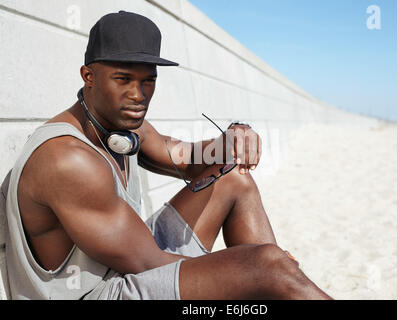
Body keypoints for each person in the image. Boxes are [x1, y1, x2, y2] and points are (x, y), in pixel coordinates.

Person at [4, 10, 331, 300]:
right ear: (88, 76)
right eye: (123, 79)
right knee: (268, 267)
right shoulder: (67, 159)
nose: (138, 95)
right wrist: (254, 270)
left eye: (148, 81)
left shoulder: (124, 126)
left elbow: (186, 159)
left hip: (129, 262)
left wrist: (235, 135)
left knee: (234, 180)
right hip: (100, 291)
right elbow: (147, 263)